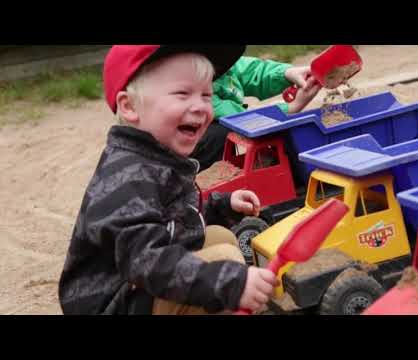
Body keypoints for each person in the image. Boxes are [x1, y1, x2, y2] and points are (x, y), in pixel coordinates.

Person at [58, 45, 278, 315]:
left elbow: (175, 221)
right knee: (224, 261)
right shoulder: (128, 177)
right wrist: (228, 281)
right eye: (182, 94)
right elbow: (146, 261)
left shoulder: (159, 158)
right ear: (130, 107)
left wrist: (221, 206)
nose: (200, 106)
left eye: (206, 95)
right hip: (113, 302)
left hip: (136, 285)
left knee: (219, 237)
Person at [191, 55, 322, 171]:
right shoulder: (192, 84)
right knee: (220, 133)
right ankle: (199, 183)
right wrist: (290, 108)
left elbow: (249, 70)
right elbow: (240, 119)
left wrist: (286, 73)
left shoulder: (220, 60)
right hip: (189, 147)